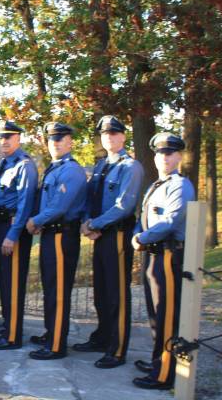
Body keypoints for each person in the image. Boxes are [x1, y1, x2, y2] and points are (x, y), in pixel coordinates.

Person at [76, 116, 144, 368]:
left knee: (116, 294)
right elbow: (90, 199)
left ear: (123, 136)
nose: (109, 138)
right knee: (101, 293)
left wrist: (95, 224)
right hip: (99, 234)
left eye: (114, 134)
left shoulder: (130, 166)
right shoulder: (102, 165)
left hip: (116, 235)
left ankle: (117, 349)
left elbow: (124, 206)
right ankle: (102, 337)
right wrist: (86, 221)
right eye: (105, 134)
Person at [131, 132, 194, 390]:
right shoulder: (157, 184)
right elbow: (143, 215)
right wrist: (139, 233)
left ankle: (164, 373)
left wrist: (142, 237)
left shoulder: (180, 186)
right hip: (153, 255)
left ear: (179, 156)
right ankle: (159, 360)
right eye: (160, 153)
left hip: (168, 255)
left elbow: (170, 222)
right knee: (156, 315)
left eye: (170, 153)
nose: (164, 157)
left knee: (166, 315)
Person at [26, 122, 87, 360]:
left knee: (59, 291)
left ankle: (56, 344)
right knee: (50, 287)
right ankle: (51, 332)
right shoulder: (54, 168)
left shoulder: (71, 170)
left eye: (60, 139)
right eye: (52, 139)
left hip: (63, 235)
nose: (56, 143)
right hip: (52, 234)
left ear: (70, 142)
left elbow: (59, 206)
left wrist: (36, 220)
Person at [0, 121, 38, 350]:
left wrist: (13, 235)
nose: (4, 141)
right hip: (0, 225)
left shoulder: (24, 166)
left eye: (9, 137)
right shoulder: (4, 164)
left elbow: (25, 205)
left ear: (18, 139)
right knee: (5, 280)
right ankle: (8, 323)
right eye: (1, 137)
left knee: (12, 282)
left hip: (12, 227)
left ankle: (12, 335)